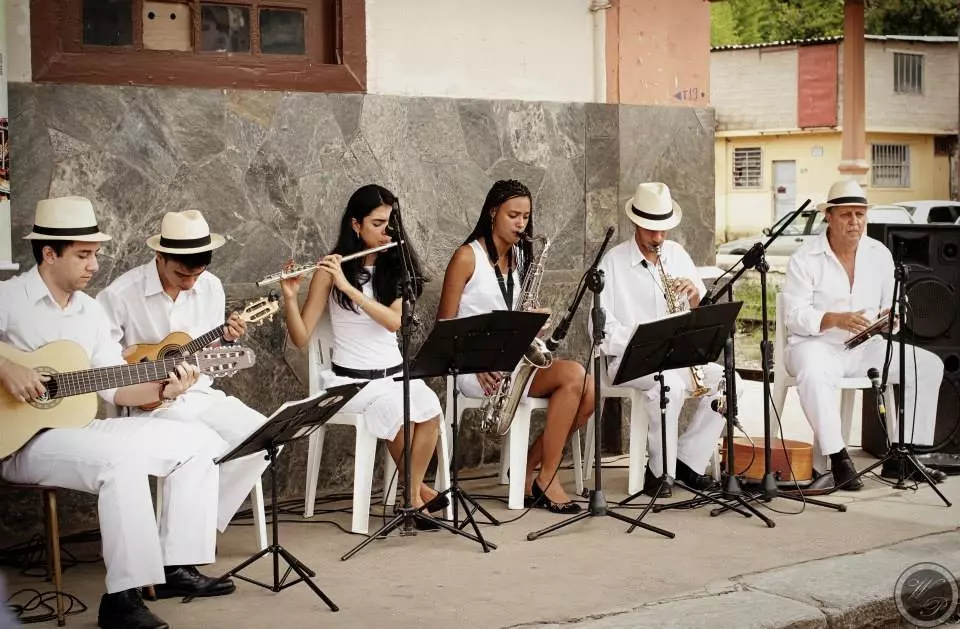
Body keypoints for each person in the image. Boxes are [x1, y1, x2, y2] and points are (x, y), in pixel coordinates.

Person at [0, 196, 235, 629]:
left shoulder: (89, 312)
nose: (93, 266)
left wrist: (166, 388)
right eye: (84, 255)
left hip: (79, 427)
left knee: (200, 443)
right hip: (20, 441)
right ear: (50, 254)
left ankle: (172, 567)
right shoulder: (9, 298)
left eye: (95, 255)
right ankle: (122, 599)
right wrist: (6, 364)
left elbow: (117, 387)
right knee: (119, 460)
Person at [97, 210, 271, 553]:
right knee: (202, 443)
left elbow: (208, 357)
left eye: (198, 272)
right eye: (181, 273)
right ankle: (179, 549)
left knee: (263, 435)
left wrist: (229, 344)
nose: (191, 282)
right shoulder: (120, 295)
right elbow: (100, 362)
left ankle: (194, 525)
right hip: (146, 406)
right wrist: (140, 372)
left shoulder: (211, 287)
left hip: (197, 393)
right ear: (159, 256)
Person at [282, 184, 447, 524]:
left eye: (389, 224)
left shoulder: (395, 270)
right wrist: (289, 296)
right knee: (398, 414)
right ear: (355, 225)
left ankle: (413, 496)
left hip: (394, 375)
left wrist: (349, 290)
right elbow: (300, 338)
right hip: (351, 383)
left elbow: (393, 322)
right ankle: (418, 496)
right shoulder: (330, 271)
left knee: (429, 408)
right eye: (376, 224)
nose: (386, 231)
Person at [437, 179, 595, 514]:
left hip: (512, 362)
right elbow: (444, 329)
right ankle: (545, 478)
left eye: (525, 216)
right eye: (513, 215)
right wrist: (475, 363)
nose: (521, 223)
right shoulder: (467, 257)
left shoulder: (521, 258)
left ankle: (529, 470)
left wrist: (532, 321)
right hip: (474, 368)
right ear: (493, 212)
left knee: (590, 390)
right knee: (574, 377)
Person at [781, 179, 947, 490]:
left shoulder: (878, 253)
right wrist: (832, 318)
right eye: (846, 215)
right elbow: (794, 315)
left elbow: (895, 304)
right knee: (814, 372)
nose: (855, 222)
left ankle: (904, 456)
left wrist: (892, 319)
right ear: (828, 217)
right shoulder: (805, 257)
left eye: (860, 214)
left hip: (866, 348)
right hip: (817, 346)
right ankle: (838, 458)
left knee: (928, 365)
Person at [596, 182, 731, 498]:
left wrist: (695, 298)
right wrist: (641, 339)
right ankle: (659, 472)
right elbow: (599, 331)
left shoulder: (677, 255)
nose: (658, 238)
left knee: (728, 381)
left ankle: (687, 461)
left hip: (678, 358)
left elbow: (700, 314)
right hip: (630, 360)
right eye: (650, 230)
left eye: (663, 231)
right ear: (635, 223)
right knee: (668, 384)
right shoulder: (612, 263)